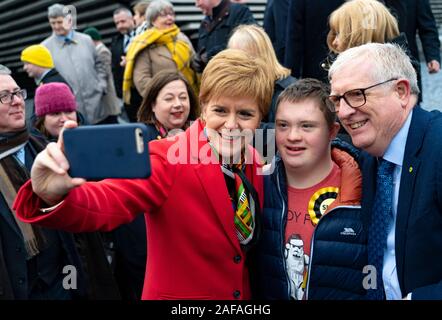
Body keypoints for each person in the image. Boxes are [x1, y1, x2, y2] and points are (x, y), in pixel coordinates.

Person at [13, 49, 274, 300]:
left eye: (245, 114)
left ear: (260, 117)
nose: (231, 124)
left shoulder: (253, 159)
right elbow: (111, 198)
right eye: (220, 110)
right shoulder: (166, 156)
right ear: (204, 107)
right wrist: (52, 195)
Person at [328, 42, 442, 299]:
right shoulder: (369, 157)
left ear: (401, 92)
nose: (344, 112)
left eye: (357, 94)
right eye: (337, 100)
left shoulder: (437, 147)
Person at [0, 67, 118, 300]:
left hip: (63, 277)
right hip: (17, 287)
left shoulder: (43, 146)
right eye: (5, 96)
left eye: (18, 93)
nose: (16, 102)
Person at [253, 78, 366, 300]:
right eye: (283, 125)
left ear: (332, 131)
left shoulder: (364, 188)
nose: (293, 136)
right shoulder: (259, 185)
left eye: (307, 126)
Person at [123, 0, 198, 122]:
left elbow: (194, 66)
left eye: (171, 14)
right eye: (163, 15)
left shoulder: (182, 38)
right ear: (152, 20)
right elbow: (141, 80)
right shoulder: (144, 43)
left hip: (187, 103)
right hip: (162, 110)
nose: (170, 18)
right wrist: (164, 98)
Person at [42, 4, 107, 124]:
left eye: (59, 22)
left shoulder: (86, 40)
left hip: (97, 104)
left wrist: (101, 86)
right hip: (69, 113)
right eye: (53, 23)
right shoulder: (45, 48)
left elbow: (100, 64)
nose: (56, 26)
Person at [193, 0, 256, 73]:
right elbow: (202, 52)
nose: (196, 4)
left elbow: (249, 43)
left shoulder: (240, 12)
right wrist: (198, 62)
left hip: (234, 78)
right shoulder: (204, 24)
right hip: (211, 81)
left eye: (198, 0)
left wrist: (211, 56)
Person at [138, 70, 199, 140]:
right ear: (153, 105)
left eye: (183, 97)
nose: (178, 104)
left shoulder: (202, 133)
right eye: (169, 99)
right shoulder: (141, 138)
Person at [404, 0, 441, 101]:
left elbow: (427, 28)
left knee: (411, 106)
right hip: (373, 63)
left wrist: (433, 56)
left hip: (408, 64)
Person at [83, 27, 121, 124]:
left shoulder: (102, 51)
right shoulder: (96, 51)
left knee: (112, 125)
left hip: (106, 97)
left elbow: (104, 73)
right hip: (103, 98)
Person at [111, 7, 136, 99]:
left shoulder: (143, 36)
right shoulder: (116, 41)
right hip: (126, 94)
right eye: (117, 23)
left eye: (123, 21)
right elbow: (114, 67)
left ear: (132, 19)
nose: (119, 26)